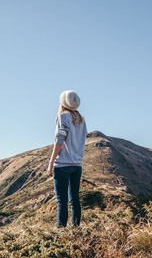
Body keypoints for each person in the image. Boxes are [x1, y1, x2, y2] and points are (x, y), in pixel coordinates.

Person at [48, 90, 87, 228]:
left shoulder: (63, 117)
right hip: (77, 165)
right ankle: (76, 229)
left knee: (61, 201)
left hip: (63, 164)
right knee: (75, 199)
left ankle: (61, 231)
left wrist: (51, 161)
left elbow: (59, 140)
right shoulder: (81, 119)